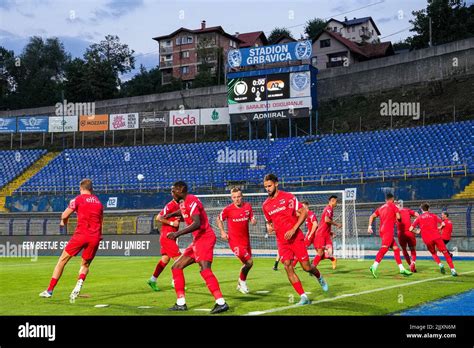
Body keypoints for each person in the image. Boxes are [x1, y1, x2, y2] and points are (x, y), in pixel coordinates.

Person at [262, 174, 328, 306]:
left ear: (276, 184)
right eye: (265, 187)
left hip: (296, 238)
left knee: (306, 267)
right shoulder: (265, 205)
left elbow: (303, 212)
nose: (267, 189)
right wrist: (269, 228)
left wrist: (293, 229)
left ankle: (319, 276)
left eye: (269, 186)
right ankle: (303, 297)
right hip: (282, 241)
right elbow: (270, 222)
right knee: (288, 266)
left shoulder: (288, 197)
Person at [165, 181, 229, 314]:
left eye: (173, 190)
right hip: (197, 240)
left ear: (181, 190)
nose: (172, 193)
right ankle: (181, 303)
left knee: (205, 269)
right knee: (176, 267)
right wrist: (172, 214)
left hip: (204, 237)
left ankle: (221, 303)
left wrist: (177, 233)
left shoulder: (192, 200)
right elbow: (184, 211)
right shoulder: (183, 203)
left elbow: (197, 223)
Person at [39, 179, 104, 303]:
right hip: (95, 237)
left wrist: (63, 222)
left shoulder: (77, 199)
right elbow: (101, 222)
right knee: (85, 265)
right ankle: (79, 283)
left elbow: (64, 215)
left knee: (62, 261)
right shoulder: (99, 203)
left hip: (81, 235)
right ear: (91, 189)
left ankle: (49, 290)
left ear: (81, 188)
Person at [217, 187, 256, 294]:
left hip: (246, 241)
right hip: (235, 242)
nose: (237, 199)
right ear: (231, 198)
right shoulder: (228, 209)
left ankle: (240, 283)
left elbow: (252, 217)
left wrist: (253, 220)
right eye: (234, 197)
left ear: (242, 196)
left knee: (247, 264)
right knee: (249, 262)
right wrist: (222, 232)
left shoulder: (248, 206)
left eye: (238, 197)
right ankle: (242, 282)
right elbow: (219, 219)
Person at [368, 193, 412, 278]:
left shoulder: (381, 207)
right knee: (384, 248)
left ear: (386, 200)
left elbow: (371, 216)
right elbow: (399, 218)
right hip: (388, 230)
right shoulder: (393, 206)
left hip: (382, 230)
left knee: (396, 249)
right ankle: (374, 266)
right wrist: (397, 212)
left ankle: (402, 269)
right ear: (392, 199)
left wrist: (369, 226)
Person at [409, 203, 457, 276]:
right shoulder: (433, 215)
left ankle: (440, 264)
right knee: (445, 253)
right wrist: (439, 228)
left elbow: (410, 229)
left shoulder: (418, 218)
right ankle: (453, 270)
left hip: (427, 239)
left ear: (421, 209)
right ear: (429, 209)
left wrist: (417, 231)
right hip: (436, 237)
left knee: (434, 253)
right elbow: (443, 224)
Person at [147, 198, 182, 291]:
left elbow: (177, 219)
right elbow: (158, 217)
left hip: (171, 237)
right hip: (167, 236)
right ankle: (175, 282)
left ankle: (152, 280)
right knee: (179, 259)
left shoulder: (180, 206)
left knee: (165, 259)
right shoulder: (171, 205)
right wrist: (171, 223)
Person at [312, 197, 340, 270]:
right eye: (336, 201)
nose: (337, 203)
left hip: (326, 235)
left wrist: (330, 232)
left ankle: (332, 259)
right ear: (332, 201)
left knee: (330, 252)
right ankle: (313, 267)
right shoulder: (328, 209)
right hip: (321, 235)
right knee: (320, 253)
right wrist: (337, 224)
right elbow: (326, 220)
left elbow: (325, 223)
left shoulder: (330, 209)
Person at [395, 201, 419, 272]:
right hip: (409, 232)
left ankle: (410, 265)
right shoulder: (407, 210)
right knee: (413, 249)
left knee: (404, 249)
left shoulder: (394, 213)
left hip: (401, 234)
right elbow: (417, 215)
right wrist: (414, 224)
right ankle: (413, 263)